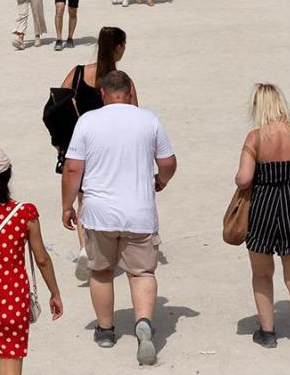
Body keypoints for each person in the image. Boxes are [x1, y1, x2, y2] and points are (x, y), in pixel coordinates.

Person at [62, 70, 176, 366]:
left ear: (102, 93)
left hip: (100, 214)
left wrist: (67, 206)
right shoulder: (148, 119)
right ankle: (143, 324)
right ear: (129, 92)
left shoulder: (88, 121)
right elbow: (168, 162)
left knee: (100, 271)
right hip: (139, 212)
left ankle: (105, 330)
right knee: (142, 273)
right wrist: (160, 180)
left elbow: (73, 169)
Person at [235, 84, 290, 364]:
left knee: (262, 274)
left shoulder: (255, 138)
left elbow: (244, 179)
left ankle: (267, 331)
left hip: (262, 207)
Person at [60, 27, 138, 279]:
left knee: (84, 198)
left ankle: (85, 247)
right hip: (113, 150)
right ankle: (112, 245)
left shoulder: (79, 73)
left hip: (82, 146)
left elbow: (57, 105)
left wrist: (61, 142)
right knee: (111, 195)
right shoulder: (122, 81)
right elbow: (134, 115)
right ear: (118, 48)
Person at [0, 148, 63, 372]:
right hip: (10, 298)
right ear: (8, 175)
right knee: (9, 355)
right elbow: (41, 259)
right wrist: (55, 293)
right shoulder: (24, 214)